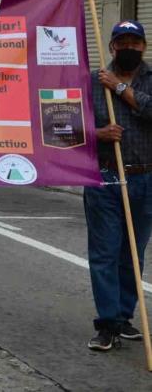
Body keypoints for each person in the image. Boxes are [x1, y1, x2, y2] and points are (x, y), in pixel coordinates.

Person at [84, 19, 152, 351]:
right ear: (112, 46)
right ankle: (107, 323)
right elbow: (64, 127)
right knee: (104, 253)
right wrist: (98, 134)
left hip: (144, 178)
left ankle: (124, 316)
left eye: (134, 42)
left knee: (133, 254)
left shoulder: (150, 80)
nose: (128, 48)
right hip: (105, 177)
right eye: (122, 42)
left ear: (143, 46)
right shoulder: (92, 83)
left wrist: (121, 89)